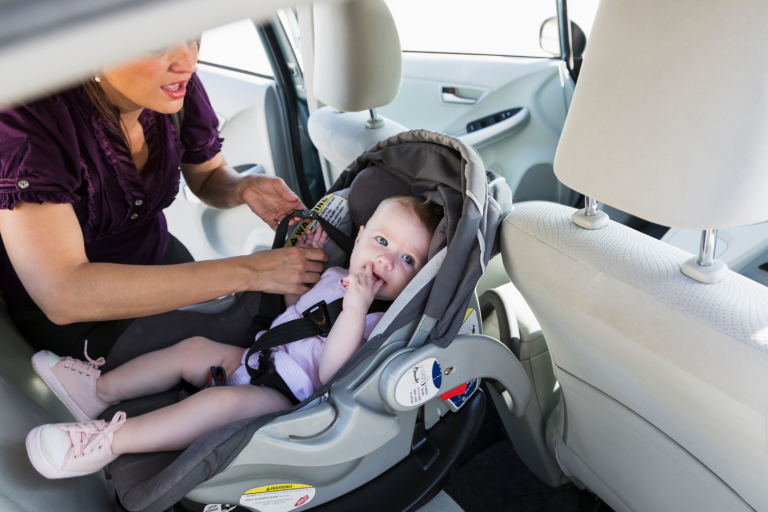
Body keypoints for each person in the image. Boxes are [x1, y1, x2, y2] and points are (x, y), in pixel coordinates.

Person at [25, 196, 443, 480]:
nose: (386, 260)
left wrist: (355, 309)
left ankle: (105, 442)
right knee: (193, 350)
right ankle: (97, 390)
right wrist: (300, 281)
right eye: (381, 241)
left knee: (218, 404)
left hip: (287, 398)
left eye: (407, 259)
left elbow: (334, 374)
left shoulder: (378, 321)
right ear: (361, 234)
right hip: (256, 358)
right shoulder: (336, 277)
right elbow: (295, 315)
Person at [0, 40, 327, 361]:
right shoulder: (28, 123)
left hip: (163, 260)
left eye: (192, 37)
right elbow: (64, 294)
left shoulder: (173, 85)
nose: (187, 62)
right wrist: (252, 271)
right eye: (157, 44)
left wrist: (242, 186)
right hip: (87, 319)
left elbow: (209, 176)